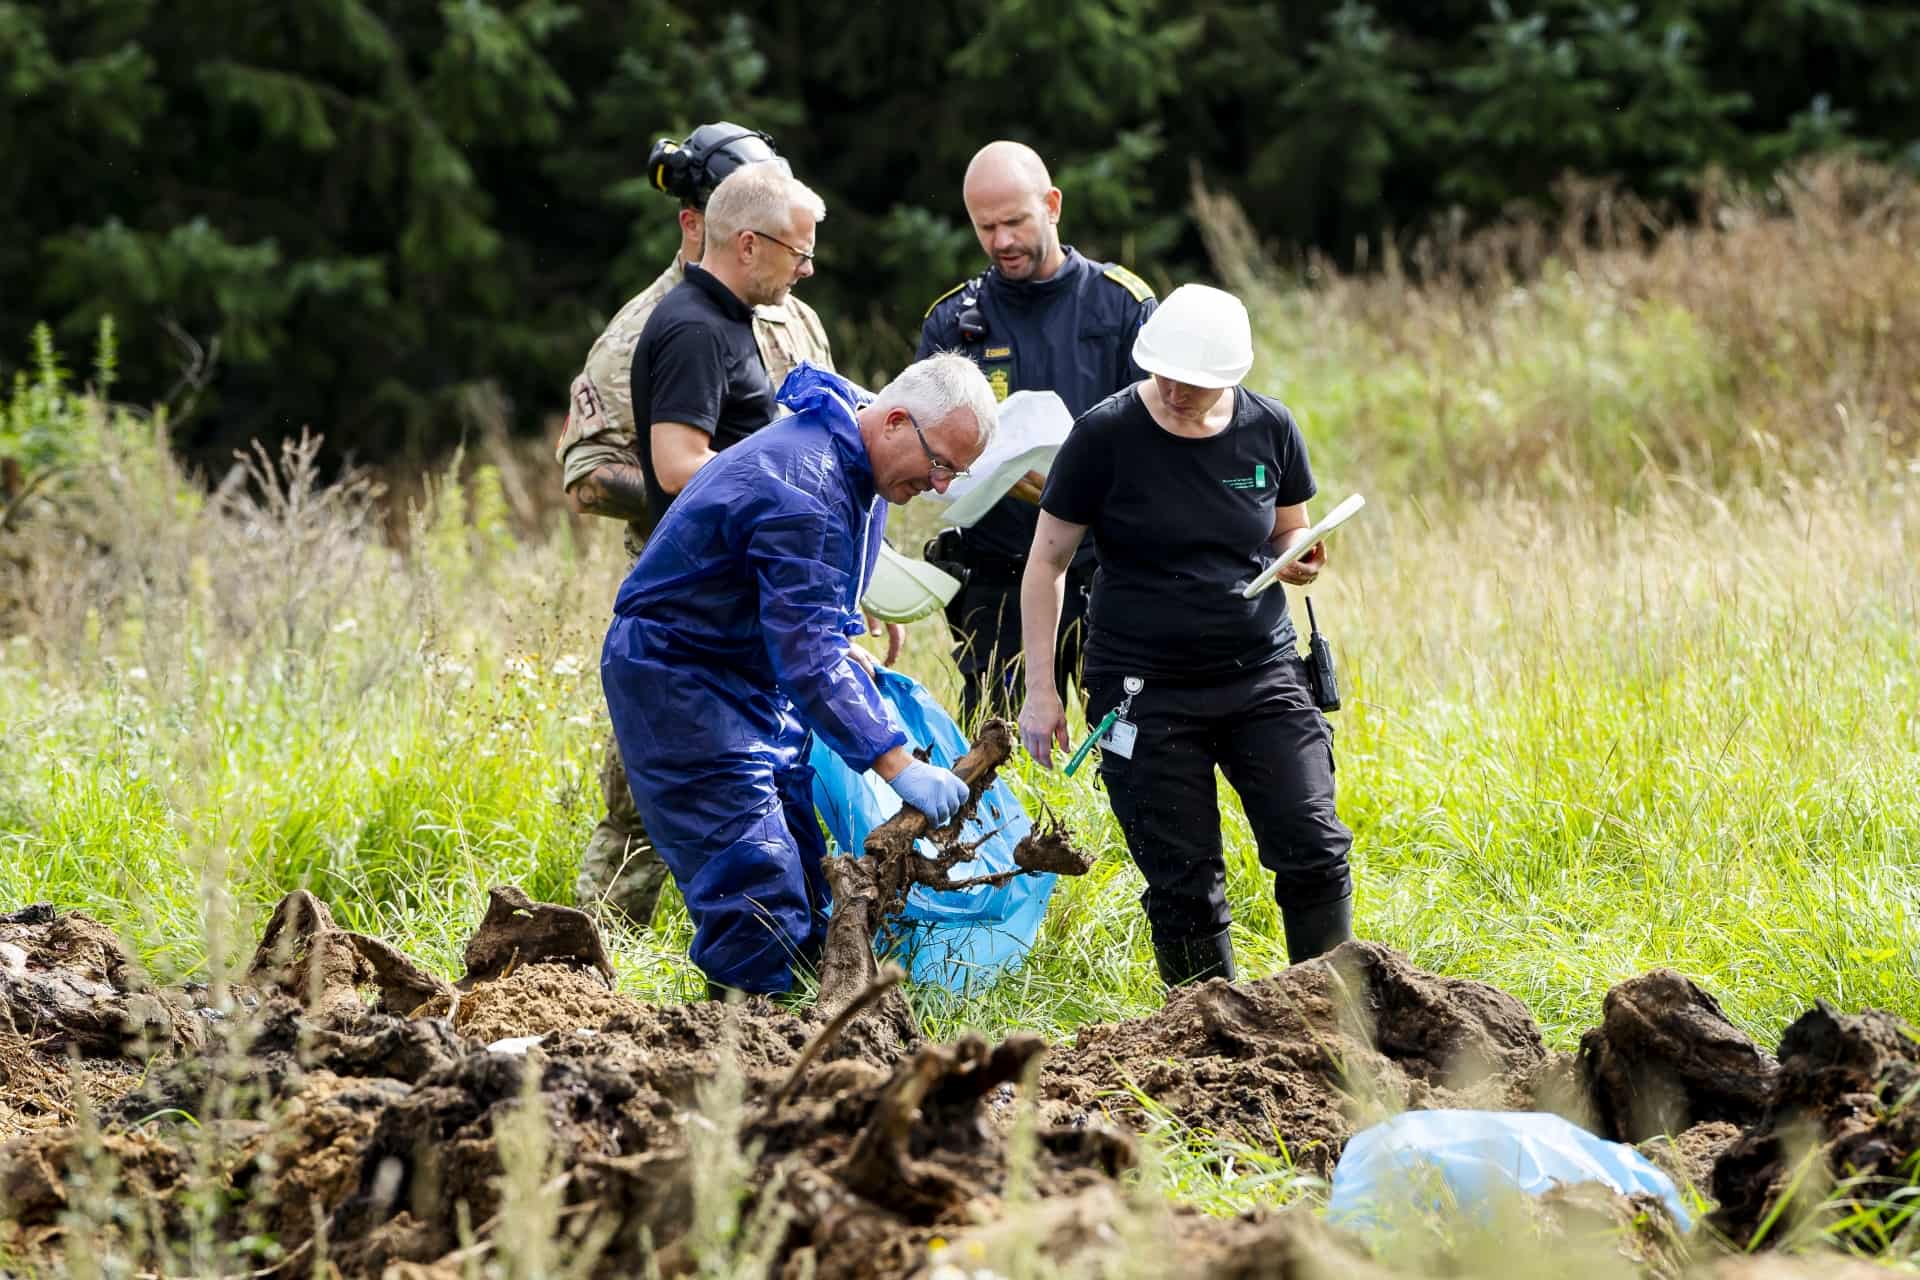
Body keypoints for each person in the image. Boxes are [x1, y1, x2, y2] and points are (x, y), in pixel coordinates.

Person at [600, 355, 998, 996]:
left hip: (747, 674)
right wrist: (897, 763)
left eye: (957, 470)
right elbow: (807, 650)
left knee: (809, 876)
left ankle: (801, 1034)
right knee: (755, 882)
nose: (943, 484)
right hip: (681, 678)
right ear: (896, 421)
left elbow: (802, 607)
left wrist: (846, 639)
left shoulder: (853, 456)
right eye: (941, 463)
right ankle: (741, 1057)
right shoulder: (804, 483)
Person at [1016, 284, 1355, 990]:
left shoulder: (1270, 427)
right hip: (1142, 689)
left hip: (1260, 671)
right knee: (1184, 880)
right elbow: (1046, 563)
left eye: (1195, 384)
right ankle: (1204, 1037)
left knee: (1314, 847)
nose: (1174, 391)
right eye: (1163, 373)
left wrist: (1302, 555)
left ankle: (1330, 1016)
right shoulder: (1104, 436)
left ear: (1231, 377)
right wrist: (1041, 691)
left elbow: (1287, 527)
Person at [557, 128, 835, 930]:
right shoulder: (650, 328)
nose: (803, 264)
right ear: (704, 222)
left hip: (779, 595)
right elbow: (589, 477)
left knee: (775, 781)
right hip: (685, 599)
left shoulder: (793, 318)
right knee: (646, 800)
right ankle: (595, 970)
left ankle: (765, 956)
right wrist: (726, 494)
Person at [917, 140, 1157, 724]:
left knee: (1132, 747)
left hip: (1111, 572)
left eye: (1015, 221)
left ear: (1052, 205)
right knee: (999, 755)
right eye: (985, 227)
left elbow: (1166, 436)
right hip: (999, 578)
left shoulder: (1123, 303)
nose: (1001, 241)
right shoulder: (954, 322)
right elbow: (924, 456)